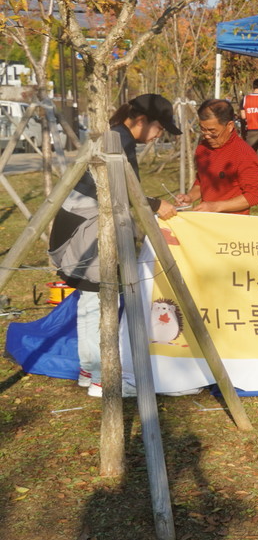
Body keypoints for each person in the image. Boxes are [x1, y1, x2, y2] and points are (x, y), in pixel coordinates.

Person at [48, 94, 181, 398]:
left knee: (89, 300)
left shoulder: (116, 136)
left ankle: (88, 371)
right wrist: (156, 205)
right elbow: (122, 192)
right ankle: (103, 379)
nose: (159, 134)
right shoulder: (119, 142)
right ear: (142, 120)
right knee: (98, 300)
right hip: (87, 226)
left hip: (76, 220)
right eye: (160, 127)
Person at [177, 99, 258, 215]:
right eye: (203, 129)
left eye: (212, 131)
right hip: (207, 218)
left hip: (231, 222)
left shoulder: (244, 154)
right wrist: (190, 197)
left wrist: (215, 206)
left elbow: (253, 196)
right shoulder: (203, 148)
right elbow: (202, 180)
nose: (207, 136)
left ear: (229, 126)